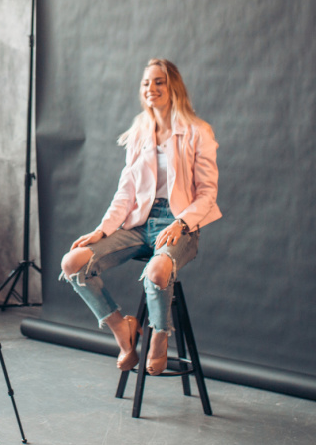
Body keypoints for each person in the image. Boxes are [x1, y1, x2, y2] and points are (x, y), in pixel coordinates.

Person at [60, 59, 220, 376]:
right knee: (72, 262)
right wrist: (102, 231)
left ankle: (160, 336)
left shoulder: (197, 132)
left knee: (157, 271)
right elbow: (126, 193)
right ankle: (123, 329)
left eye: (159, 82)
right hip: (140, 225)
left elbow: (207, 194)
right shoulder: (139, 133)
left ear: (173, 86)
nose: (151, 88)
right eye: (146, 83)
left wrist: (180, 223)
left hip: (180, 225)